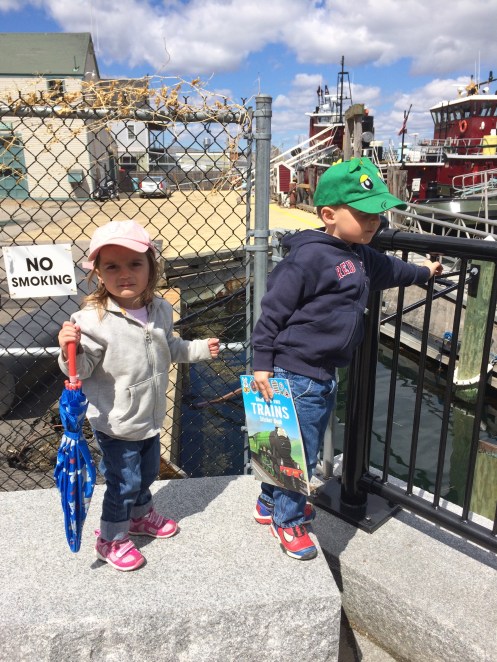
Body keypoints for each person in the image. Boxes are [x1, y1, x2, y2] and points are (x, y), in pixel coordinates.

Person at [251, 157, 443, 560]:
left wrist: (425, 272)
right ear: (329, 215)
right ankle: (288, 522)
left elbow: (394, 270)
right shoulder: (308, 258)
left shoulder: (362, 254)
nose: (375, 222)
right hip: (295, 371)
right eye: (364, 213)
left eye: (378, 213)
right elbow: (272, 312)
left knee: (288, 443)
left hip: (321, 372)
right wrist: (262, 362)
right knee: (297, 451)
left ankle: (269, 502)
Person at [58, 220, 220, 571]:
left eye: (134, 263)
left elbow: (169, 347)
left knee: (146, 473)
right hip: (115, 421)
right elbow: (79, 370)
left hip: (149, 414)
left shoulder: (160, 309)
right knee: (123, 481)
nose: (125, 274)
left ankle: (140, 515)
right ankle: (111, 538)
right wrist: (70, 348)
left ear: (151, 266)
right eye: (112, 267)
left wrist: (198, 349)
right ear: (98, 274)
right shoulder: (91, 320)